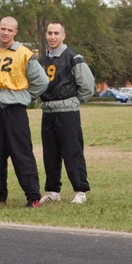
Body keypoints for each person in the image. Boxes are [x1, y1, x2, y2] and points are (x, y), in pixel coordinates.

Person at [0, 16, 48, 208]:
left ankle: (33, 195)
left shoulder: (24, 54)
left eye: (10, 30)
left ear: (15, 32)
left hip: (15, 111)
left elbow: (42, 81)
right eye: (3, 29)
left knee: (21, 153)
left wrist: (24, 97)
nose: (5, 33)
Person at [38, 21, 94, 204]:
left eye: (56, 33)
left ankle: (80, 190)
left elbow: (87, 86)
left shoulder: (73, 57)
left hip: (67, 112)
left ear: (63, 35)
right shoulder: (41, 60)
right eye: (49, 33)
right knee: (50, 153)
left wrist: (74, 101)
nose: (52, 37)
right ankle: (53, 191)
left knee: (72, 151)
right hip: (48, 112)